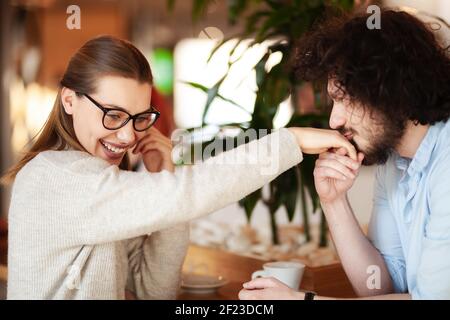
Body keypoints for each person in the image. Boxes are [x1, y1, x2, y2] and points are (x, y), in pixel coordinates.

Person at [1, 35, 357, 300]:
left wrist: (164, 173)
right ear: (68, 100)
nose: (127, 135)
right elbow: (189, 193)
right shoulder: (55, 176)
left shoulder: (104, 183)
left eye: (140, 118)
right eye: (112, 115)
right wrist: (289, 141)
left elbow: (153, 291)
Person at [239, 8, 450, 300]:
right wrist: (334, 201)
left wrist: (300, 300)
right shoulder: (395, 162)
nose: (334, 121)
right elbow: (381, 288)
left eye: (344, 99)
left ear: (390, 89)